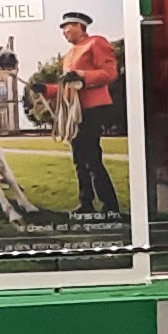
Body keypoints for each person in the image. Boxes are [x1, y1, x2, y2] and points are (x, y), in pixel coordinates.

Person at [54, 13, 123, 217]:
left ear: (79, 25)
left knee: (91, 157)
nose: (64, 32)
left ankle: (110, 205)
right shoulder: (68, 56)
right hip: (75, 110)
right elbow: (67, 86)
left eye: (66, 27)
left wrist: (82, 75)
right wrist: (45, 89)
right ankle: (86, 203)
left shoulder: (96, 43)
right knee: (79, 158)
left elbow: (109, 73)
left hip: (93, 107)